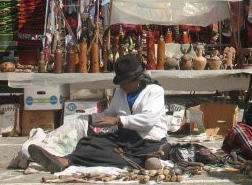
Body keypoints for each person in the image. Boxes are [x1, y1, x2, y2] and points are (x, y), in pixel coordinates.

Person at [28, 53, 168, 172]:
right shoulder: (120, 92)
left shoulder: (154, 91)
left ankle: (66, 162)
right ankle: (63, 160)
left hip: (146, 141)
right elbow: (110, 114)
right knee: (88, 142)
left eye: (124, 82)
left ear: (135, 80)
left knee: (110, 154)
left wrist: (119, 121)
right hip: (125, 138)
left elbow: (148, 119)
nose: (121, 86)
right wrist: (89, 118)